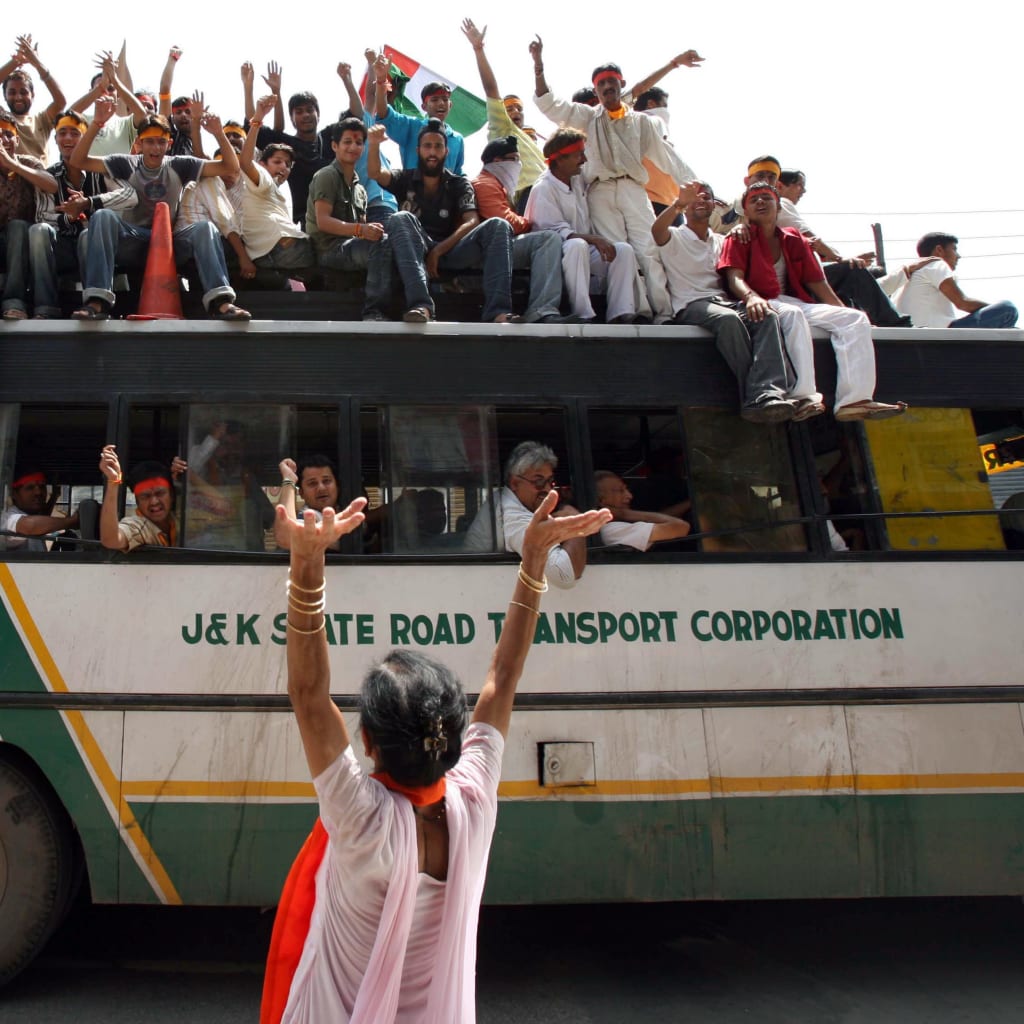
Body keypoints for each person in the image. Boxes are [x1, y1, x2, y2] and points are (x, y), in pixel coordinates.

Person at [261, 488, 610, 1024]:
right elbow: (503, 677)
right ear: (453, 739)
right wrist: (534, 560)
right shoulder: (474, 800)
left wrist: (307, 561)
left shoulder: (361, 820)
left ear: (368, 744)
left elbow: (309, 695)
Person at [529, 38, 699, 319]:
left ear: (622, 85)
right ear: (596, 90)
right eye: (601, 84)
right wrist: (538, 65)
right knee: (619, 252)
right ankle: (637, 311)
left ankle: (664, 313)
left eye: (612, 82)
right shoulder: (586, 117)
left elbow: (666, 156)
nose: (607, 87)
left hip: (634, 189)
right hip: (601, 191)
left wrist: (695, 184)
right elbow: (550, 104)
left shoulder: (642, 122)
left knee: (649, 250)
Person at [719, 182, 907, 422]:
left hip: (792, 301)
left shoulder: (793, 238)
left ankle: (854, 400)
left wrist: (840, 310)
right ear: (746, 211)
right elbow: (734, 278)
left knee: (854, 318)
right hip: (759, 302)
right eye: (753, 200)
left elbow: (817, 282)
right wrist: (751, 297)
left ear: (779, 206)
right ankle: (803, 397)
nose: (760, 202)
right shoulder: (739, 237)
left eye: (766, 197)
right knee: (791, 314)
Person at [69, 99, 250, 320]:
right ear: (139, 143)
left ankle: (221, 302)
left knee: (205, 228)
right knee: (102, 216)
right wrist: (97, 124)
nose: (155, 148)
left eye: (161, 142)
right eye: (149, 142)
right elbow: (78, 161)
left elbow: (230, 167)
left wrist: (219, 134)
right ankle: (97, 301)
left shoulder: (179, 164)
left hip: (169, 243)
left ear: (169, 144)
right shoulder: (126, 163)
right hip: (134, 240)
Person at [653, 180, 799, 422]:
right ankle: (755, 397)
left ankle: (770, 392)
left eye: (706, 197)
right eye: (694, 197)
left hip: (724, 302)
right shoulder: (674, 236)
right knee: (728, 320)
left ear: (714, 206)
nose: (700, 200)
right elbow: (656, 231)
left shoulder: (723, 241)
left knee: (766, 315)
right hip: (691, 305)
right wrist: (678, 203)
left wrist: (741, 228)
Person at [368, 120, 518, 325]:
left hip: (451, 250)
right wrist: (374, 144)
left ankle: (499, 311)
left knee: (499, 225)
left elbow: (472, 221)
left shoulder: (459, 183)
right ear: (418, 150)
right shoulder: (405, 178)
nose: (432, 152)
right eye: (427, 146)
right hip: (414, 252)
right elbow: (375, 173)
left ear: (446, 151)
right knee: (400, 218)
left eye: (438, 146)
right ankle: (421, 306)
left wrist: (438, 251)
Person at [525, 126, 649, 323]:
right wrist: (593, 239)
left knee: (623, 250)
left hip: (582, 251)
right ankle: (582, 313)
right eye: (578, 155)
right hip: (554, 257)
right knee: (576, 245)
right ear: (560, 159)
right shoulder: (543, 188)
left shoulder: (577, 179)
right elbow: (555, 233)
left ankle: (621, 312)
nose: (584, 159)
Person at [29, 110, 137, 319]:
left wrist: (88, 203)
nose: (68, 138)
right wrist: (69, 217)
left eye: (75, 133)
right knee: (38, 231)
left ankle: (94, 304)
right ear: (55, 139)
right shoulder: (49, 175)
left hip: (98, 248)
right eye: (62, 133)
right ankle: (45, 307)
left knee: (89, 235)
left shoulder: (101, 168)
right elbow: (42, 216)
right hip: (62, 246)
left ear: (86, 139)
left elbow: (130, 196)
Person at [775, 169, 909, 328]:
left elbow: (812, 249)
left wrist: (840, 259)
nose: (803, 191)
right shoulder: (782, 203)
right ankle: (894, 323)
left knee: (847, 277)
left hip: (795, 277)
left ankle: (860, 323)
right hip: (796, 280)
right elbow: (812, 240)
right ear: (780, 186)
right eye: (799, 185)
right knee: (852, 270)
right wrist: (842, 259)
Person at [470, 135, 574, 323]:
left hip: (496, 249)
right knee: (548, 239)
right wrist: (530, 222)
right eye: (514, 159)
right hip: (487, 251)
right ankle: (541, 311)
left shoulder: (496, 184)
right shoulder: (484, 183)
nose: (518, 165)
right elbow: (504, 221)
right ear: (497, 161)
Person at [463, 441, 588, 588]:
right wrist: (576, 523)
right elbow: (564, 576)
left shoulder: (506, 500)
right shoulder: (512, 515)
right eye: (539, 482)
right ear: (515, 483)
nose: (548, 490)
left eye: (550, 482)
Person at [307, 117, 391, 321]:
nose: (353, 147)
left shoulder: (360, 188)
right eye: (347, 142)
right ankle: (373, 312)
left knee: (392, 242)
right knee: (379, 246)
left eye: (359, 142)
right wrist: (362, 230)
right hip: (328, 249)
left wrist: (369, 231)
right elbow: (323, 222)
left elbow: (361, 228)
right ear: (334, 146)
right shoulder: (327, 175)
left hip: (350, 246)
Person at [461, 19, 545, 210]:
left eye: (519, 108)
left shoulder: (528, 140)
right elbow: (491, 89)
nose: (515, 112)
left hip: (551, 192)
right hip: (530, 195)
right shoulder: (503, 128)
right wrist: (478, 49)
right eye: (509, 109)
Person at [238, 96, 313, 278]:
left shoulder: (279, 191)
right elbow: (246, 162)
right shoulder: (263, 178)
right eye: (277, 161)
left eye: (288, 164)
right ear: (262, 164)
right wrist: (257, 121)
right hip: (278, 249)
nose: (283, 167)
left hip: (275, 251)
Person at [890, 231, 1019, 329]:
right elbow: (963, 303)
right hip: (941, 335)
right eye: (954, 249)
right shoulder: (936, 264)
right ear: (939, 250)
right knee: (1007, 309)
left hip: (913, 336)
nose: (958, 256)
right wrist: (994, 311)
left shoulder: (904, 276)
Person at [0, 110, 58, 320]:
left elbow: (51, 185)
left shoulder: (28, 162)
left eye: (8, 135)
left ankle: (15, 303)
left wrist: (12, 164)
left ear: (17, 140)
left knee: (17, 227)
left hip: (26, 240)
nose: (4, 140)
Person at [372, 53, 465, 175]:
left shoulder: (457, 139)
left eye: (445, 99)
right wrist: (381, 80)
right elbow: (384, 113)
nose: (441, 103)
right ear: (424, 107)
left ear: (450, 105)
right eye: (434, 100)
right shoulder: (411, 126)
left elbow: (458, 173)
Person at [98, 445, 184, 551]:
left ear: (172, 495)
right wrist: (113, 482)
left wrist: (188, 471)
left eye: (160, 493)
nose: (154, 502)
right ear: (137, 501)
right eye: (145, 496)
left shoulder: (184, 517)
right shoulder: (138, 526)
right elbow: (111, 540)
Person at [0, 35, 66, 161]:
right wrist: (16, 61)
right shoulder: (2, 118)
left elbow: (61, 101)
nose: (18, 97)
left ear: (32, 95)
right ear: (4, 96)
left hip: (40, 173)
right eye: (12, 92)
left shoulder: (42, 120)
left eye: (23, 92)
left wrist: (37, 63)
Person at [594, 471, 690, 549]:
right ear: (601, 501)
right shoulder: (611, 530)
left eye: (626, 489)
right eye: (621, 491)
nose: (629, 496)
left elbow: (661, 517)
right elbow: (681, 527)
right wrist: (625, 514)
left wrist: (690, 503)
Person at [0, 467, 78, 550]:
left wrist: (54, 497)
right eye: (30, 488)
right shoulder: (6, 517)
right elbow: (29, 526)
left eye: (42, 487)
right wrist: (72, 521)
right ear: (14, 494)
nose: (38, 492)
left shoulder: (32, 516)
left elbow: (43, 517)